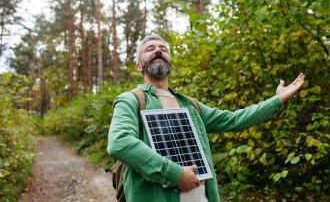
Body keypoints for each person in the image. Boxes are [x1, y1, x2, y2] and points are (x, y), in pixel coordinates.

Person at [107, 34, 305, 202]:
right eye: (150, 48)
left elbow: (234, 120)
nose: (158, 50)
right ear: (138, 66)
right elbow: (120, 142)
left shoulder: (190, 105)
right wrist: (175, 175)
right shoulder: (131, 100)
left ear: (170, 63)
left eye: (163, 49)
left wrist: (277, 100)